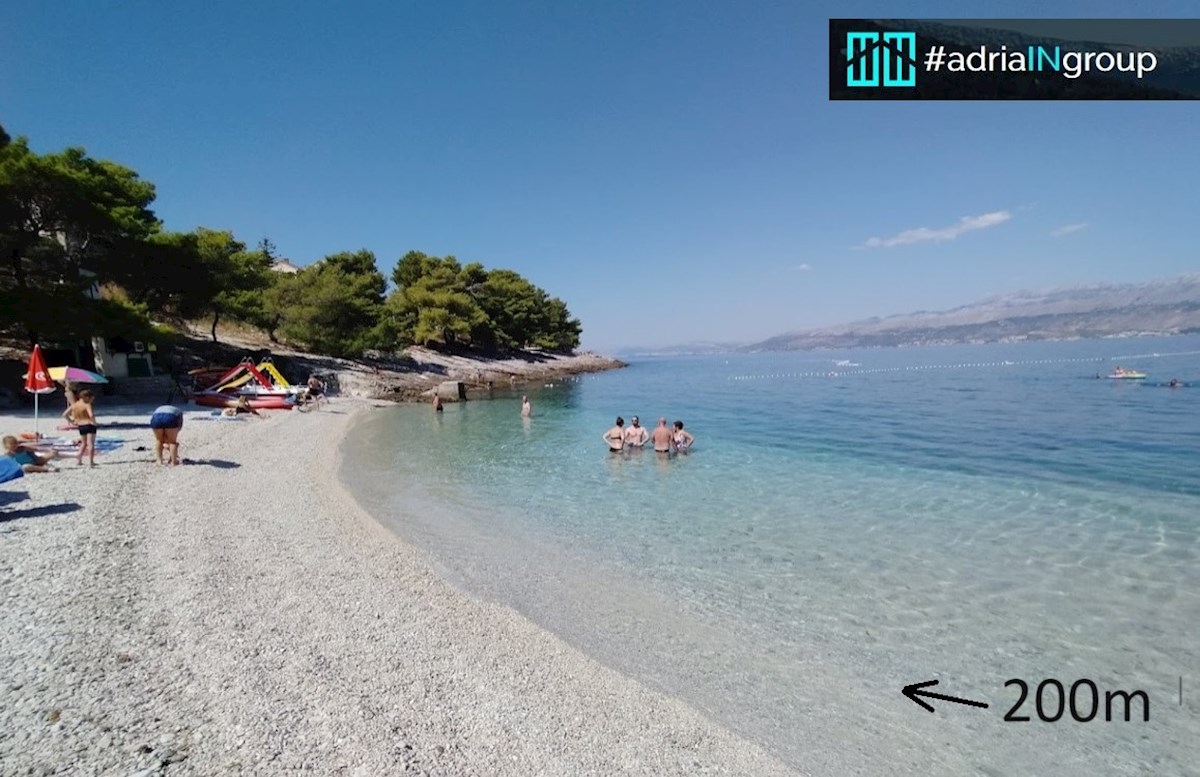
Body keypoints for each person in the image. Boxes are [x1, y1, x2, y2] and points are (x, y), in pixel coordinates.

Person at [69, 389, 98, 467]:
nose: (92, 400)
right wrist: (94, 422)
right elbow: (91, 415)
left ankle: (79, 460)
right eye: (91, 398)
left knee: (83, 443)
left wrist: (71, 421)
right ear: (87, 397)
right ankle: (91, 462)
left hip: (81, 425)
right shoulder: (87, 405)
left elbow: (64, 414)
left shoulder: (75, 405)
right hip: (89, 424)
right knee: (91, 443)